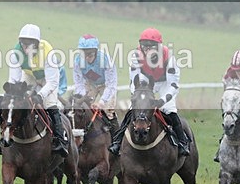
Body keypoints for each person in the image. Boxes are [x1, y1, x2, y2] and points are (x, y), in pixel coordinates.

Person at [108, 27, 190, 157]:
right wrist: (138, 99)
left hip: (165, 83)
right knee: (133, 109)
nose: (147, 49)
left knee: (169, 109)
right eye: (144, 46)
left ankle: (182, 142)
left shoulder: (169, 58)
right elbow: (134, 81)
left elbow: (173, 85)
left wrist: (160, 101)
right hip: (146, 82)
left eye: (150, 46)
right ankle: (117, 142)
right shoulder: (136, 56)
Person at [3, 23, 68, 157]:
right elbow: (14, 80)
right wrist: (12, 94)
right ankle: (5, 132)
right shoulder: (16, 53)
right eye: (23, 43)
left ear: (37, 43)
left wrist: (40, 95)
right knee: (13, 101)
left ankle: (60, 140)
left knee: (50, 104)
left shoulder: (48, 52)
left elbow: (52, 82)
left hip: (47, 78)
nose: (25, 47)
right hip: (29, 75)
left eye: (29, 44)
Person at [72, 34, 118, 132]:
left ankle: (116, 138)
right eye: (84, 54)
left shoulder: (106, 60)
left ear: (96, 52)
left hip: (106, 85)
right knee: (82, 108)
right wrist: (83, 98)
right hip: (90, 84)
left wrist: (102, 102)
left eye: (90, 54)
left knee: (108, 111)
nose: (87, 58)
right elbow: (79, 84)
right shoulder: (77, 61)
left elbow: (111, 85)